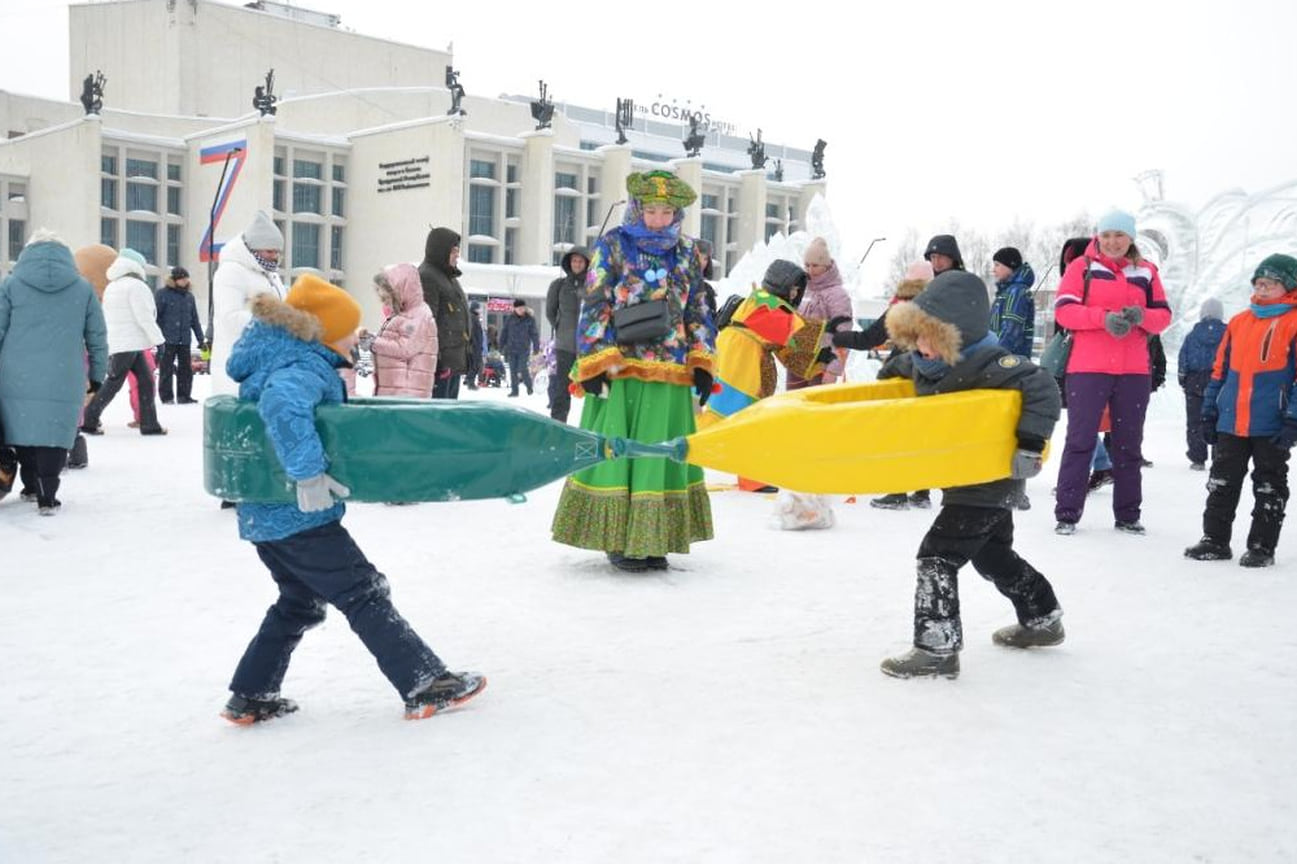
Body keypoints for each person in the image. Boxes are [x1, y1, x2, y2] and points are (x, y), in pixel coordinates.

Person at [220, 274, 484, 723]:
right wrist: (307, 474)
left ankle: (251, 694)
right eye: (347, 328)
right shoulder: (300, 365)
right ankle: (423, 682)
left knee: (298, 602)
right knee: (364, 592)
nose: (355, 336)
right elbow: (282, 407)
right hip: (297, 513)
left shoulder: (279, 354)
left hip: (267, 512)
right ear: (319, 330)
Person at [874, 269, 1064, 679]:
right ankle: (1043, 616)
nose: (921, 347)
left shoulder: (993, 363)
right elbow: (914, 365)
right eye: (916, 336)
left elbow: (1044, 387)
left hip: (991, 478)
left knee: (937, 556)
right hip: (964, 476)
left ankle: (937, 648)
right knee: (992, 555)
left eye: (930, 337)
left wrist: (1030, 444)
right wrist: (893, 371)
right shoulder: (930, 362)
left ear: (955, 336)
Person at [551, 170, 715, 573]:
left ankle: (653, 539)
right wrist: (593, 362)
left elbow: (698, 309)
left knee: (659, 455)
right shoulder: (613, 246)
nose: (658, 219)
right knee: (618, 453)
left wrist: (702, 361)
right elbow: (595, 303)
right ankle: (618, 540)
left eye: (666, 211)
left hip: (671, 370)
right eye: (651, 210)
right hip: (620, 368)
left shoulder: (689, 253)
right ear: (637, 209)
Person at [1052, 210, 1172, 535]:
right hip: (1087, 368)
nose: (1113, 241)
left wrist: (1141, 315)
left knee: (1129, 445)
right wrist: (1102, 318)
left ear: (1131, 238)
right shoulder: (1083, 267)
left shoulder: (1146, 271)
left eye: (1120, 235)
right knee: (1080, 441)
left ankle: (1128, 515)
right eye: (1107, 235)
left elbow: (1163, 316)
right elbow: (1064, 311)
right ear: (1098, 237)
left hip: (1134, 371)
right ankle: (1067, 513)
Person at [1186, 254, 1297, 568]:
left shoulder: (1293, 322)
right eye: (1258, 282)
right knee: (1221, 482)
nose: (1262, 288)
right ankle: (1215, 540)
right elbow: (1219, 373)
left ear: (1287, 287)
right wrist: (1209, 412)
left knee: (1269, 485)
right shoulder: (1238, 322)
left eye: (1270, 283)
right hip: (1231, 422)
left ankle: (1262, 547)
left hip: (1272, 425)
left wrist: (1293, 419)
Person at [701, 259, 836, 492]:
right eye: (794, 288)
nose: (796, 294)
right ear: (782, 284)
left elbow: (785, 347)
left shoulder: (761, 302)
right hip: (740, 368)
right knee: (730, 419)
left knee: (738, 420)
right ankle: (672, 457)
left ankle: (750, 477)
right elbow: (798, 331)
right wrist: (832, 335)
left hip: (738, 363)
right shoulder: (765, 304)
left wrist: (818, 363)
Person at [0, 230, 109, 514]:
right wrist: (97, 376)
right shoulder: (83, 289)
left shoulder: (10, 285)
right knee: (54, 431)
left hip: (16, 373)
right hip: (65, 373)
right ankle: (48, 493)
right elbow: (97, 336)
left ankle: (31, 485)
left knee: (22, 427)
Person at [833, 260, 936, 510]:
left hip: (902, 375)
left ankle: (897, 491)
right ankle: (922, 492)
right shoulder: (940, 307)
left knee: (898, 432)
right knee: (921, 434)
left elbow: (869, 338)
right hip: (929, 376)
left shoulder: (900, 307)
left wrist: (837, 335)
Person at [80, 249, 168, 437]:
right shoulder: (136, 286)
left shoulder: (114, 286)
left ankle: (149, 423)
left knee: (145, 381)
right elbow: (145, 317)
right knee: (114, 383)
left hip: (123, 343)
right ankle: (89, 419)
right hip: (129, 344)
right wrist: (159, 341)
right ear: (136, 266)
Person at [210, 210, 286, 397]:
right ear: (254, 248)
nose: (274, 256)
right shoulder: (231, 272)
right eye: (269, 251)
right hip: (239, 360)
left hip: (269, 361)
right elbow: (229, 317)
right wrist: (274, 322)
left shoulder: (271, 275)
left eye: (277, 251)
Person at [364, 262, 437, 398]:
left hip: (406, 395)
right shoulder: (403, 315)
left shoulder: (418, 315)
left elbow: (405, 348)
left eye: (386, 298)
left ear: (400, 291)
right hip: (395, 393)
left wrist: (372, 342)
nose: (384, 303)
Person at [788, 237, 852, 389]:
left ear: (826, 265)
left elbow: (843, 335)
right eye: (807, 265)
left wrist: (833, 370)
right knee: (792, 408)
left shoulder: (838, 295)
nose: (810, 270)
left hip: (821, 365)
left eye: (815, 265)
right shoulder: (802, 290)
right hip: (797, 363)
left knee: (814, 410)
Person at [418, 227, 471, 399]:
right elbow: (427, 321)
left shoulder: (449, 278)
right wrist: (437, 358)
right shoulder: (427, 276)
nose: (457, 255)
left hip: (452, 362)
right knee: (438, 418)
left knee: (448, 416)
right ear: (441, 251)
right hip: (440, 364)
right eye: (454, 251)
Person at [1178, 298, 1227, 469]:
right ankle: (1219, 456)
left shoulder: (1192, 335)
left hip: (1195, 381)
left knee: (1195, 421)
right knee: (1221, 418)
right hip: (1220, 381)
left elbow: (1183, 358)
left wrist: (1183, 378)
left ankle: (1197, 458)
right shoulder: (1229, 333)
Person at [546, 246, 589, 421]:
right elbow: (551, 312)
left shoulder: (594, 285)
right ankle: (558, 423)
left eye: (580, 261)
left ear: (587, 264)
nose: (577, 264)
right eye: (574, 261)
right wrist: (561, 327)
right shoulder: (559, 285)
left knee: (595, 387)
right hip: (566, 345)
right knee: (562, 387)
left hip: (589, 346)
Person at [154, 266, 206, 404]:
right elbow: (156, 317)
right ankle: (167, 397)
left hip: (184, 339)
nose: (185, 281)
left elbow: (194, 319)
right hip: (167, 339)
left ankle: (184, 396)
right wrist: (158, 337)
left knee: (186, 370)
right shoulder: (162, 294)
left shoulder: (189, 297)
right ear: (175, 280)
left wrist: (201, 339)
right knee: (166, 369)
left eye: (186, 278)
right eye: (182, 279)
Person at [989, 247, 1036, 357]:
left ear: (1010, 266)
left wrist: (996, 355)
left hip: (1009, 361)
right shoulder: (1007, 292)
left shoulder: (1017, 292)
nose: (993, 270)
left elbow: (1012, 329)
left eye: (997, 265)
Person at [501, 299, 540, 397]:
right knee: (513, 370)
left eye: (523, 308)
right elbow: (504, 332)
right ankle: (515, 391)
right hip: (511, 348)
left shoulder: (529, 319)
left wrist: (536, 347)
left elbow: (534, 334)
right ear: (515, 309)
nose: (521, 310)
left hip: (523, 349)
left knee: (523, 368)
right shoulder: (510, 319)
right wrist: (501, 345)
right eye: (519, 308)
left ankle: (529, 386)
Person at [464, 301, 485, 391]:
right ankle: (470, 382)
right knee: (475, 365)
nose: (480, 310)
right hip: (474, 346)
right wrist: (475, 344)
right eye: (478, 308)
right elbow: (473, 333)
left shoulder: (472, 317)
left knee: (475, 364)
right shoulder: (473, 318)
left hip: (475, 345)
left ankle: (469, 380)